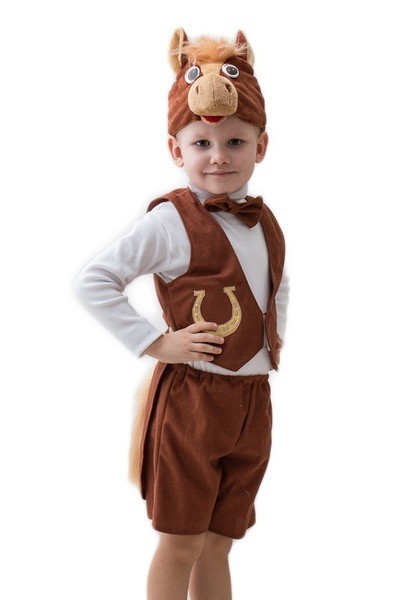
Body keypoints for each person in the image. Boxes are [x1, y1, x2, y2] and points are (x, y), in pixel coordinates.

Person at [74, 28, 289, 600]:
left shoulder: (264, 219)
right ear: (177, 150)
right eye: (201, 143)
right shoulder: (170, 221)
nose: (219, 156)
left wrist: (270, 349)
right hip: (193, 400)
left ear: (261, 146)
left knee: (219, 542)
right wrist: (156, 342)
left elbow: (277, 287)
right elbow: (94, 281)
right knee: (181, 541)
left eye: (235, 142)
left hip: (253, 398)